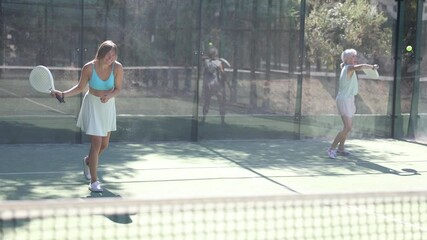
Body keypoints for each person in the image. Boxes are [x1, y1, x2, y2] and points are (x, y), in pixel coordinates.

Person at [51, 40, 123, 192]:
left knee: (104, 145)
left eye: (113, 55)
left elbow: (118, 88)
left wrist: (109, 96)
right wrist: (63, 94)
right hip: (92, 106)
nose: (110, 58)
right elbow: (80, 88)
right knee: (96, 144)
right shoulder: (89, 68)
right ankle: (94, 181)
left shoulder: (117, 68)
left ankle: (88, 161)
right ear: (101, 53)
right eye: (108, 55)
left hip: (108, 106)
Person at [327, 49, 378, 159]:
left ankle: (341, 149)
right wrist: (372, 67)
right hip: (344, 100)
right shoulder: (349, 68)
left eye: (355, 56)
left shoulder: (347, 68)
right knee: (347, 127)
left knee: (347, 127)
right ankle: (331, 148)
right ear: (347, 59)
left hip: (349, 99)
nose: (355, 58)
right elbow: (361, 67)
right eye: (353, 56)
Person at [201, 47, 227, 125]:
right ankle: (222, 121)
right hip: (215, 84)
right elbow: (222, 73)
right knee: (221, 102)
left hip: (207, 83)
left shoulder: (206, 62)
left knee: (207, 102)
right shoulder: (218, 63)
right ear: (215, 54)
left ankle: (203, 119)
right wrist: (224, 76)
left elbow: (204, 72)